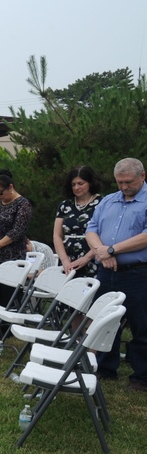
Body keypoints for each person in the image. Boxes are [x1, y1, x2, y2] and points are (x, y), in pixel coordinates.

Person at [86, 158, 147, 391]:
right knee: (104, 320)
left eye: (128, 182)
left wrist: (113, 249)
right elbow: (91, 229)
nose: (123, 187)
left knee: (141, 324)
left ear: (143, 176)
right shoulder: (109, 201)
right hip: (107, 271)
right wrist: (102, 252)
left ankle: (142, 376)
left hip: (137, 274)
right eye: (119, 182)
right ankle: (105, 367)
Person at [0, 170, 33, 309]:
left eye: (0, 192)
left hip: (13, 256)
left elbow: (17, 231)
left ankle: (10, 329)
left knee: (10, 295)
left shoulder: (23, 204)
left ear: (10, 187)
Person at [52, 166, 103, 277]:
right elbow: (57, 235)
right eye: (73, 184)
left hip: (92, 256)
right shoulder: (65, 205)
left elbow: (105, 234)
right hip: (68, 259)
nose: (76, 187)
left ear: (90, 183)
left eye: (81, 183)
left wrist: (86, 258)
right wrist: (65, 260)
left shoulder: (102, 204)